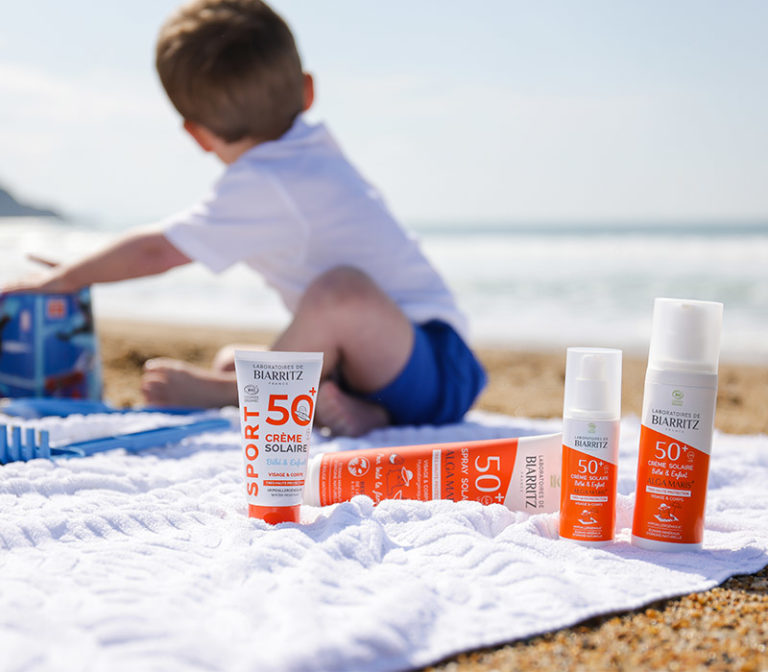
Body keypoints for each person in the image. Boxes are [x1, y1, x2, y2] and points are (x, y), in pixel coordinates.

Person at [4, 0, 486, 436]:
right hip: (383, 368)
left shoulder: (269, 179)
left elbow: (160, 248)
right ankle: (358, 410)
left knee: (339, 293)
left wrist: (69, 278)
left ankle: (232, 394)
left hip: (436, 366)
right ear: (308, 90)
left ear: (196, 135)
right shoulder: (307, 151)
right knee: (235, 358)